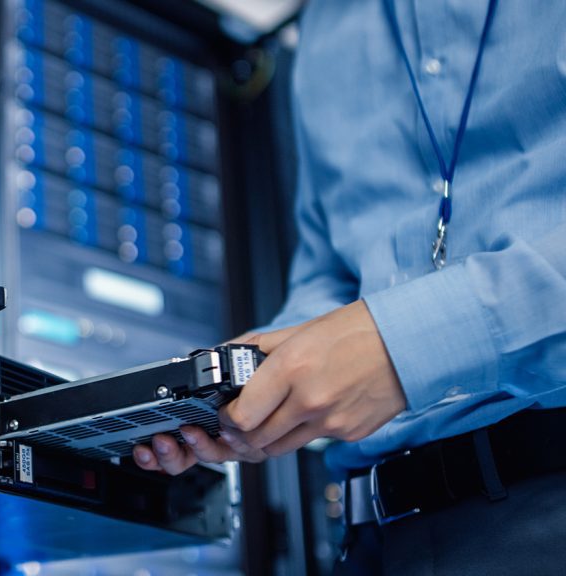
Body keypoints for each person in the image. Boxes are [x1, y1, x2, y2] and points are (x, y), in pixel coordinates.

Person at [133, 0, 566, 573]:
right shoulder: (324, 27)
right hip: (374, 537)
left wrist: (401, 345)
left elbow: (379, 336)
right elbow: (332, 272)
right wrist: (266, 388)